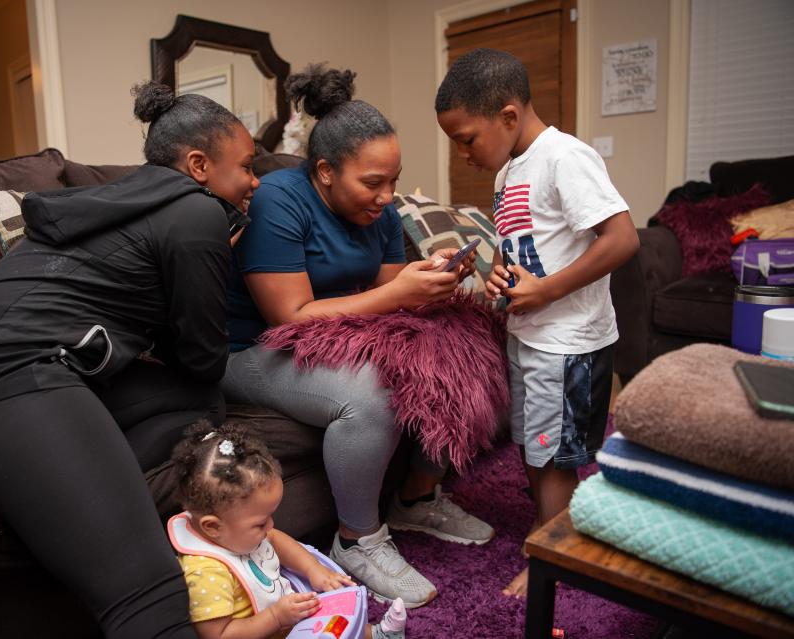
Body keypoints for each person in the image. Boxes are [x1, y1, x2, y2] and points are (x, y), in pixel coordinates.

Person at [0, 81, 260, 639]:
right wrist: (212, 259)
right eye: (245, 166)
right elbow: (202, 355)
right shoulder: (198, 215)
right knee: (153, 597)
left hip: (3, 369)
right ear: (198, 164)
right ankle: (96, 516)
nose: (253, 181)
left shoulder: (128, 199)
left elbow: (194, 379)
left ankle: (84, 482)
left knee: (199, 402)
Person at [222, 64, 496, 610]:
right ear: (325, 171)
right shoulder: (279, 200)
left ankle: (416, 498)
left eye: (394, 180)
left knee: (464, 342)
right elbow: (290, 316)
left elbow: (387, 284)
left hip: (336, 334)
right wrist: (399, 295)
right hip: (253, 349)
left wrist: (435, 276)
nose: (387, 195)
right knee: (370, 395)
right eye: (373, 182)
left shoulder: (382, 212)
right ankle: (356, 541)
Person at [435, 49, 640, 597]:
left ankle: (560, 555)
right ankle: (549, 526)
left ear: (507, 116)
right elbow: (526, 243)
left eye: (466, 138)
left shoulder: (564, 158)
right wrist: (503, 270)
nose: (461, 153)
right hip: (530, 334)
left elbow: (622, 239)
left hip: (568, 341)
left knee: (553, 456)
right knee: (533, 443)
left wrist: (546, 289)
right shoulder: (510, 170)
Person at [168, 420, 408, 639]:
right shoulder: (205, 571)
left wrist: (313, 569)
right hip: (263, 629)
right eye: (261, 523)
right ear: (213, 527)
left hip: (286, 615)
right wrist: (275, 617)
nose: (271, 526)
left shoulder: (234, 532)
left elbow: (274, 539)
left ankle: (376, 634)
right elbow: (218, 636)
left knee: (338, 625)